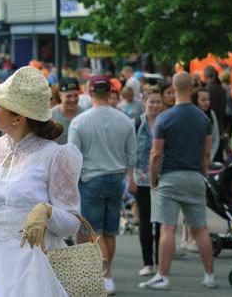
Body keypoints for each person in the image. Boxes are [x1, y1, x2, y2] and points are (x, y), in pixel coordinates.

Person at [0, 66, 82, 297]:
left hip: (34, 266)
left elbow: (72, 222)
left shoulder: (54, 155)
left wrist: (47, 212)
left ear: (18, 117)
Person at [140, 72, 217, 290]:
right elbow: (206, 154)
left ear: (173, 89)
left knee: (168, 228)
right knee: (200, 229)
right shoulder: (203, 118)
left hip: (170, 177)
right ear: (191, 89)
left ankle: (162, 276)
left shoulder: (165, 117)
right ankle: (210, 275)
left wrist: (153, 179)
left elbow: (156, 154)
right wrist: (202, 173)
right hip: (194, 176)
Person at [68, 75, 137, 295]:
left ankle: (105, 277)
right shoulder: (124, 120)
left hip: (91, 179)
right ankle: (104, 275)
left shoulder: (80, 121)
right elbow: (132, 155)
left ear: (89, 92)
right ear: (110, 93)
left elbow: (73, 155)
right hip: (116, 178)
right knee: (109, 231)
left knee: (94, 231)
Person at [128, 89, 163, 277]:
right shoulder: (136, 123)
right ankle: (147, 262)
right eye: (152, 102)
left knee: (161, 221)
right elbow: (129, 152)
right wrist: (130, 178)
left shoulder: (165, 122)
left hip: (162, 177)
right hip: (141, 177)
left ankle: (160, 262)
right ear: (145, 103)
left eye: (158, 102)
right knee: (145, 221)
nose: (155, 105)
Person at [51, 77, 83, 145]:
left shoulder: (84, 115)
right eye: (68, 96)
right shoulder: (51, 116)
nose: (73, 99)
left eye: (76, 95)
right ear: (60, 95)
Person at [192, 88, 220, 161]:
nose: (207, 102)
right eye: (203, 100)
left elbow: (216, 138)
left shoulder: (211, 114)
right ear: (196, 101)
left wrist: (210, 157)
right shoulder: (190, 115)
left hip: (208, 158)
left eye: (208, 99)